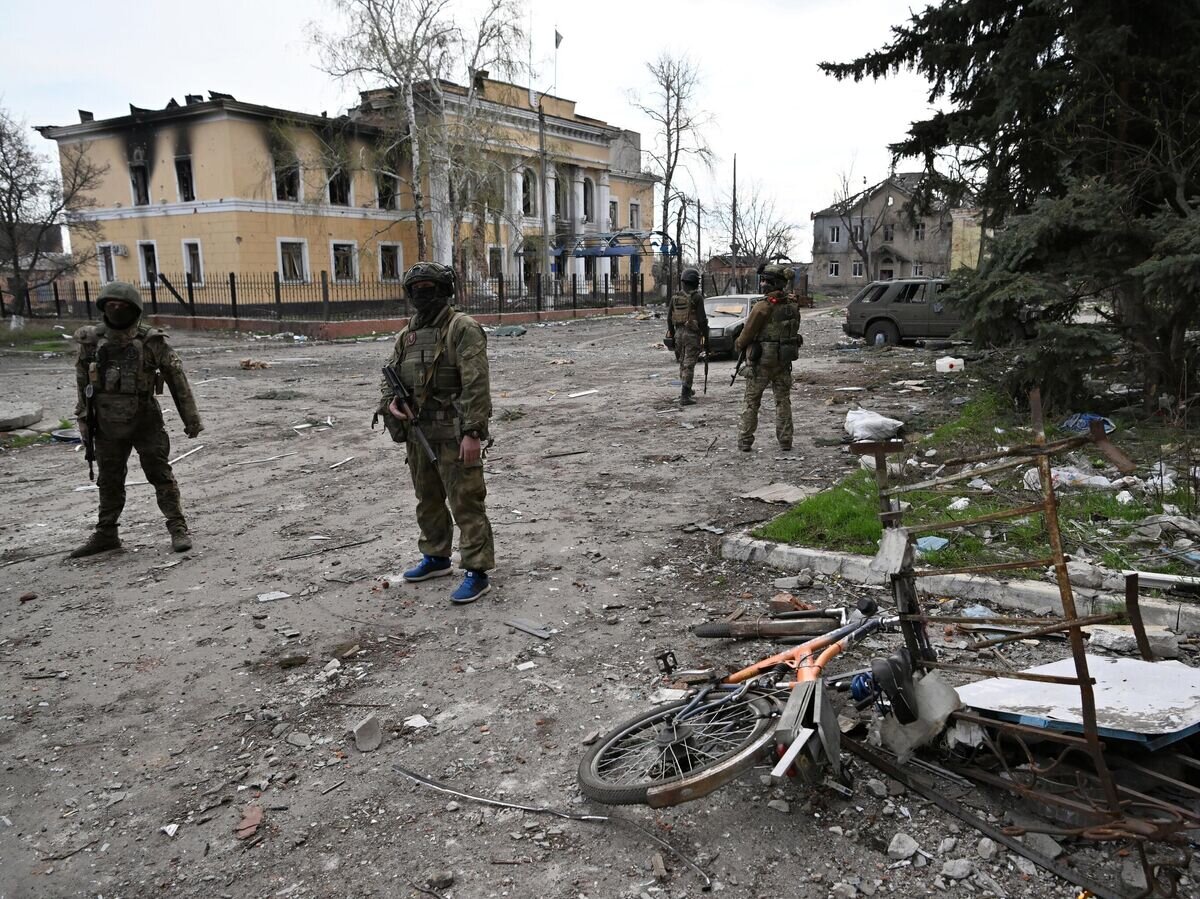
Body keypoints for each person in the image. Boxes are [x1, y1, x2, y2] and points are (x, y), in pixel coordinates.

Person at [377, 262, 495, 604]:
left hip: (455, 433)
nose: (422, 295)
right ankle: (436, 556)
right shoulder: (407, 335)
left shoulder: (462, 328)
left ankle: (477, 571)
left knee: (466, 501)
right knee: (427, 499)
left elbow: (476, 384)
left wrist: (473, 432)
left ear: (445, 291)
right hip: (419, 432)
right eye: (416, 290)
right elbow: (390, 376)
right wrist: (390, 403)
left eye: (429, 289)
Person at [70, 281, 203, 557]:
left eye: (122, 305)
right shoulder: (91, 342)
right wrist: (83, 418)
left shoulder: (152, 342)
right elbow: (83, 383)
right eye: (111, 305)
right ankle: (106, 533)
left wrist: (191, 420)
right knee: (109, 479)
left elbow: (177, 379)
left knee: (160, 474)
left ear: (134, 309)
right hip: (105, 422)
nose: (116, 309)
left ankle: (177, 527)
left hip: (145, 420)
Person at [734, 262, 801, 452]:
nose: (762, 284)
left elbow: (746, 334)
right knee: (783, 401)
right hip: (783, 361)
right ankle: (785, 440)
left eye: (765, 281)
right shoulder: (792, 305)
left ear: (774, 284)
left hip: (761, 363)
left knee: (751, 402)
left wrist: (739, 345)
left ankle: (745, 440)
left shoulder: (762, 307)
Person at [664, 267, 709, 406]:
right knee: (689, 364)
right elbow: (702, 320)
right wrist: (706, 337)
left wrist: (672, 335)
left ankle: (687, 389)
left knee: (683, 362)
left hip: (678, 333)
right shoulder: (697, 297)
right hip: (691, 334)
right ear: (695, 282)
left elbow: (669, 318)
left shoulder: (675, 297)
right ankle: (685, 395)